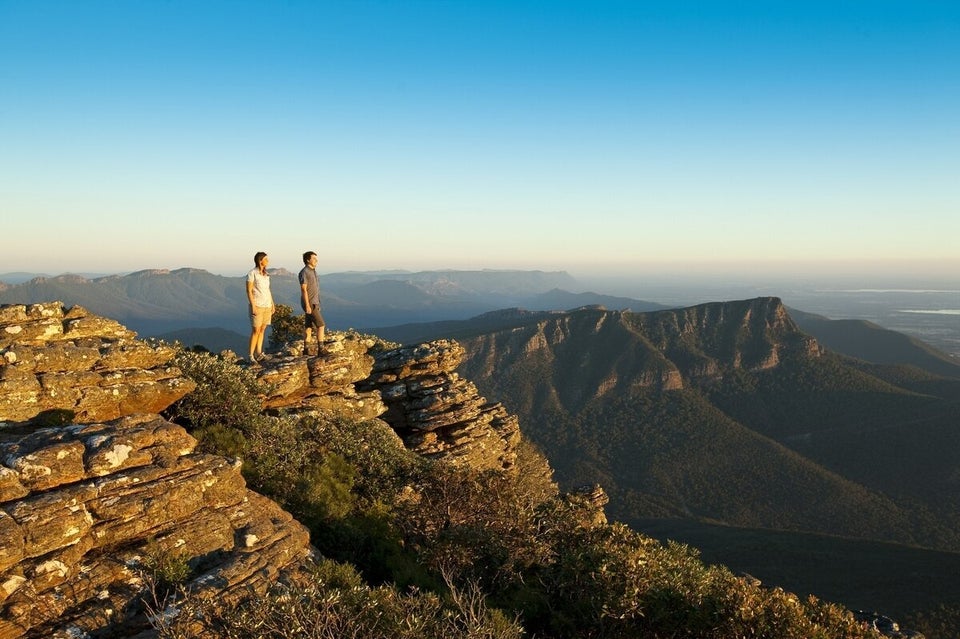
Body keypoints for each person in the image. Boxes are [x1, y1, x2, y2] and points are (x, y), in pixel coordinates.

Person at [246, 251, 274, 363]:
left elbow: (268, 290)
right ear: (260, 260)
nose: (268, 261)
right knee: (255, 330)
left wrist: (272, 304)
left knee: (262, 329)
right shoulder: (252, 273)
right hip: (257, 305)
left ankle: (259, 353)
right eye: (266, 259)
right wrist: (253, 306)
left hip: (267, 305)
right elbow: (249, 290)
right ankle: (250, 355)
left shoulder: (266, 274)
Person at [299, 250, 326, 355]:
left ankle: (306, 350)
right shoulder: (304, 272)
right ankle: (321, 349)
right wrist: (307, 305)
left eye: (316, 258)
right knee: (321, 325)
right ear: (307, 260)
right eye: (314, 259)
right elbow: (303, 289)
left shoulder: (313, 271)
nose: (316, 260)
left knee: (308, 326)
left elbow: (316, 289)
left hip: (314, 302)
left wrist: (318, 302)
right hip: (309, 303)